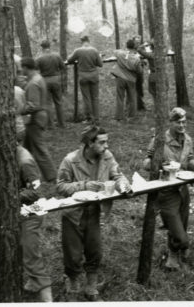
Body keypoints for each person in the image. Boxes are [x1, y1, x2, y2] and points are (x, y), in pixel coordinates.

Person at [57, 126, 131, 301]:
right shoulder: (70, 160)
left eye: (107, 141)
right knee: (73, 253)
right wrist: (83, 185)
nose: (106, 146)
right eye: (102, 142)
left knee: (94, 249)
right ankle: (72, 279)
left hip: (94, 212)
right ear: (90, 143)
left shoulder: (107, 156)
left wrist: (122, 184)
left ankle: (91, 283)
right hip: (73, 214)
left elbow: (117, 174)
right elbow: (60, 186)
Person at [0, 138, 53, 302]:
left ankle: (48, 299)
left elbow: (35, 193)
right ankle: (26, 279)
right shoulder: (3, 153)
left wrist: (8, 196)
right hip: (10, 206)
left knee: (31, 257)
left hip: (30, 212)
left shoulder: (25, 161)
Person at [143, 108, 194, 270]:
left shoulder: (188, 140)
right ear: (170, 122)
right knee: (180, 235)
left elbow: (189, 159)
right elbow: (146, 163)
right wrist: (159, 165)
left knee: (180, 226)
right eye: (178, 122)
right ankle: (181, 247)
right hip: (166, 191)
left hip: (182, 190)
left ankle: (172, 258)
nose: (182, 125)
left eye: (184, 122)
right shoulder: (159, 140)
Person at [21, 57, 57, 182]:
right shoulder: (38, 78)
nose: (21, 70)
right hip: (38, 117)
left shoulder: (33, 83)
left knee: (39, 149)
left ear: (26, 67)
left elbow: (33, 105)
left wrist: (19, 110)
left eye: (22, 68)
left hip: (35, 119)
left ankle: (51, 176)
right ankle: (26, 173)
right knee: (26, 148)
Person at [67, 35, 103, 124]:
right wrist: (99, 57)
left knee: (86, 98)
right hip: (94, 76)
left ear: (81, 42)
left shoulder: (78, 51)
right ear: (88, 41)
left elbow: (69, 60)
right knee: (95, 98)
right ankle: (97, 119)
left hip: (83, 76)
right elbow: (100, 64)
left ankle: (89, 118)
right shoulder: (94, 50)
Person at [36, 40, 66, 129]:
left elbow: (36, 69)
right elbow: (63, 67)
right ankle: (62, 124)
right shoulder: (57, 56)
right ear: (49, 46)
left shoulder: (39, 58)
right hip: (56, 79)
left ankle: (50, 125)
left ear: (42, 47)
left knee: (48, 103)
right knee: (58, 102)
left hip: (45, 80)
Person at [111, 39, 142, 121]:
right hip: (131, 79)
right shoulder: (137, 58)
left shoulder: (120, 53)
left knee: (120, 97)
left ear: (126, 46)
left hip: (120, 77)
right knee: (132, 98)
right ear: (135, 46)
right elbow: (140, 71)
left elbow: (114, 51)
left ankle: (119, 117)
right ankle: (131, 116)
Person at [133, 35, 146, 111]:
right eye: (136, 41)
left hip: (140, 71)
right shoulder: (131, 50)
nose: (138, 43)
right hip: (133, 72)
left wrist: (143, 61)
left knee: (140, 88)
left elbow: (144, 57)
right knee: (134, 88)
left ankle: (141, 105)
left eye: (139, 41)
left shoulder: (142, 49)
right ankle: (136, 106)